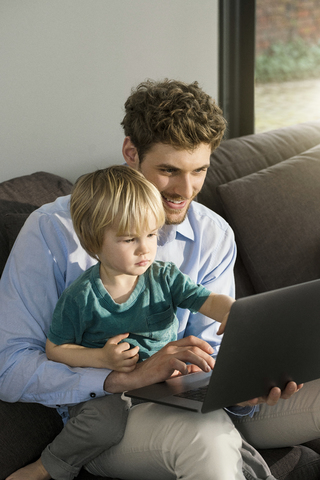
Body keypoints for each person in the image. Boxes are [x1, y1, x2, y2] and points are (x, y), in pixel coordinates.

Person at [0, 79, 303, 480]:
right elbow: (10, 366)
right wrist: (120, 376)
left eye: (199, 171)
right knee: (207, 436)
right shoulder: (51, 232)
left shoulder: (212, 235)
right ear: (131, 152)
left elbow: (213, 343)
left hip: (194, 400)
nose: (185, 190)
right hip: (108, 419)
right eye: (168, 170)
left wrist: (241, 383)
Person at [13, 165, 235, 480]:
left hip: (162, 385)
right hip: (107, 394)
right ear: (93, 243)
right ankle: (47, 467)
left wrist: (230, 311)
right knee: (104, 424)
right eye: (130, 239)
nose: (146, 248)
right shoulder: (82, 297)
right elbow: (56, 348)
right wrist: (101, 358)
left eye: (151, 234)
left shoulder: (164, 277)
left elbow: (207, 300)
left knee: (218, 421)